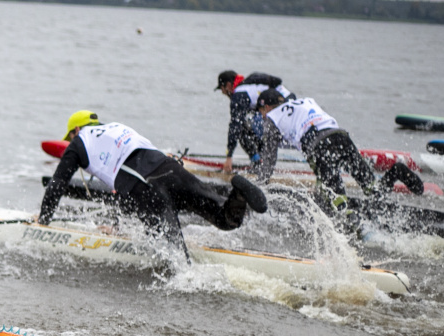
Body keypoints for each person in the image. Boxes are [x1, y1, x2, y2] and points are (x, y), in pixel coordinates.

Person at [37, 110, 268, 254]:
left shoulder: (79, 143)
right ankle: (237, 190)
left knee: (172, 254)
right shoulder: (117, 128)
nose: (69, 142)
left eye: (69, 137)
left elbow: (57, 185)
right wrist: (118, 226)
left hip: (144, 184)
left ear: (76, 130)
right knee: (225, 219)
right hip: (169, 168)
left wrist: (43, 222)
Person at [253, 91, 424, 212]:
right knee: (372, 189)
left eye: (261, 113)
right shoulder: (303, 102)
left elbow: (269, 160)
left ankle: (357, 234)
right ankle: (396, 171)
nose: (262, 117)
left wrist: (258, 188)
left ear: (267, 107)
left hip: (319, 148)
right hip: (341, 137)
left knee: (337, 200)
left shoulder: (272, 118)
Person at [214, 70, 289, 177]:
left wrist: (229, 157)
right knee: (247, 126)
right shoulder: (248, 88)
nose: (223, 93)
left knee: (240, 129)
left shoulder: (239, 95)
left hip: (282, 104)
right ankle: (260, 161)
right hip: (285, 101)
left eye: (222, 89)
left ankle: (260, 166)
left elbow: (234, 126)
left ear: (229, 85)